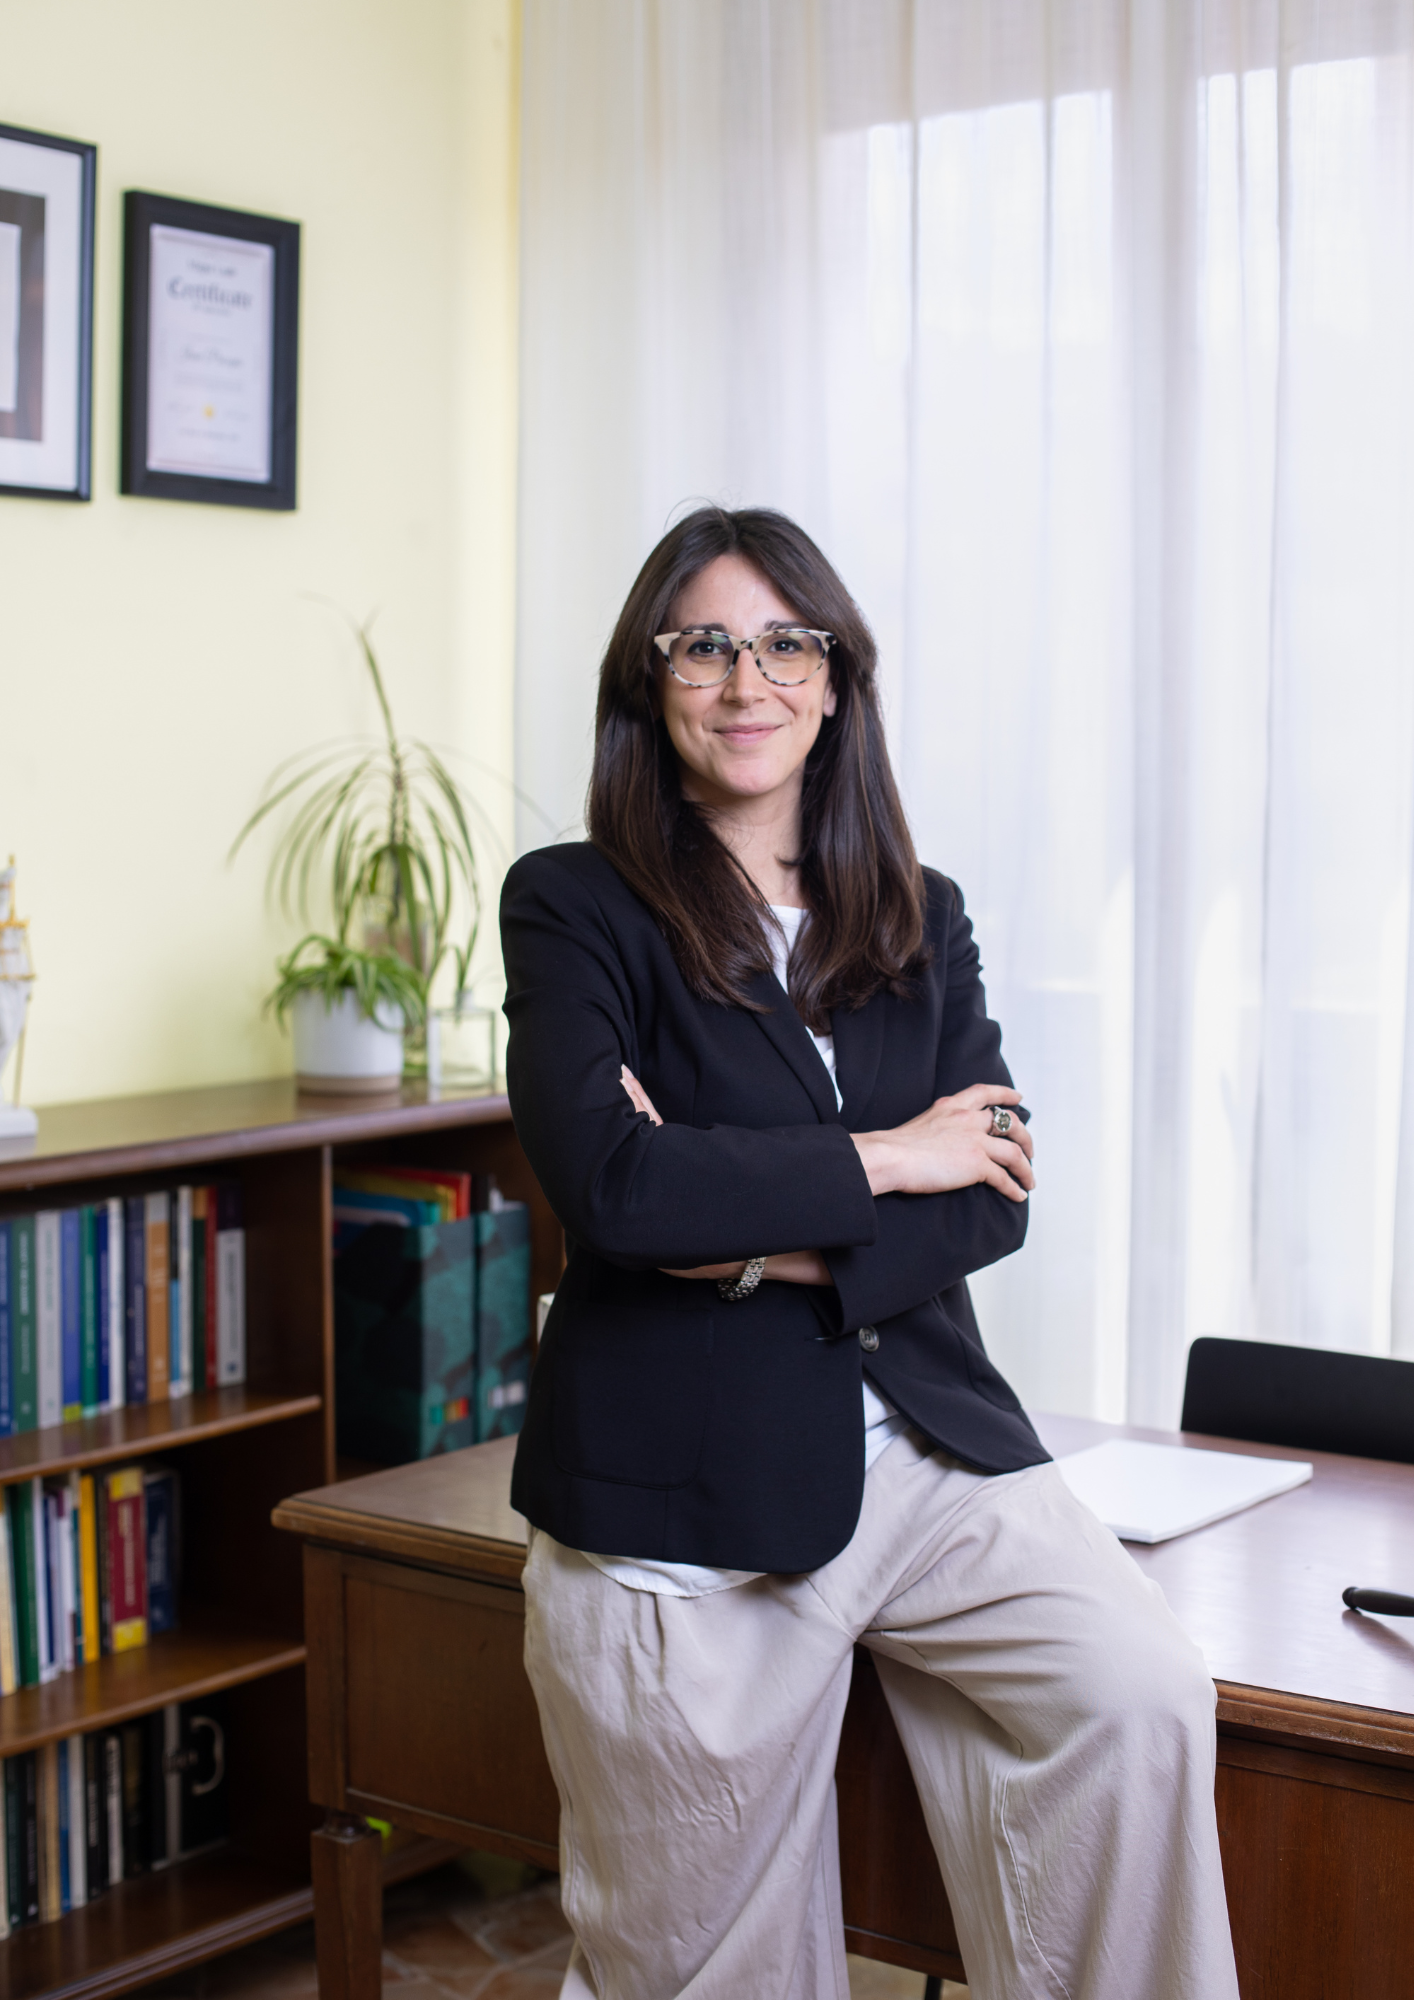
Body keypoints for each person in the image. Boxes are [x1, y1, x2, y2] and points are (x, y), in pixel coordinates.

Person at [500, 507, 1238, 2000]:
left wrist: (755, 1244)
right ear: (651, 681)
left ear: (836, 681)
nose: (744, 678)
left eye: (786, 642)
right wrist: (891, 1157)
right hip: (684, 1489)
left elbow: (997, 1197)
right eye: (702, 643)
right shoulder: (574, 904)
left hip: (928, 1450)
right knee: (713, 1968)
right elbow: (620, 1193)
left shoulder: (916, 912)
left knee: (1140, 1695)